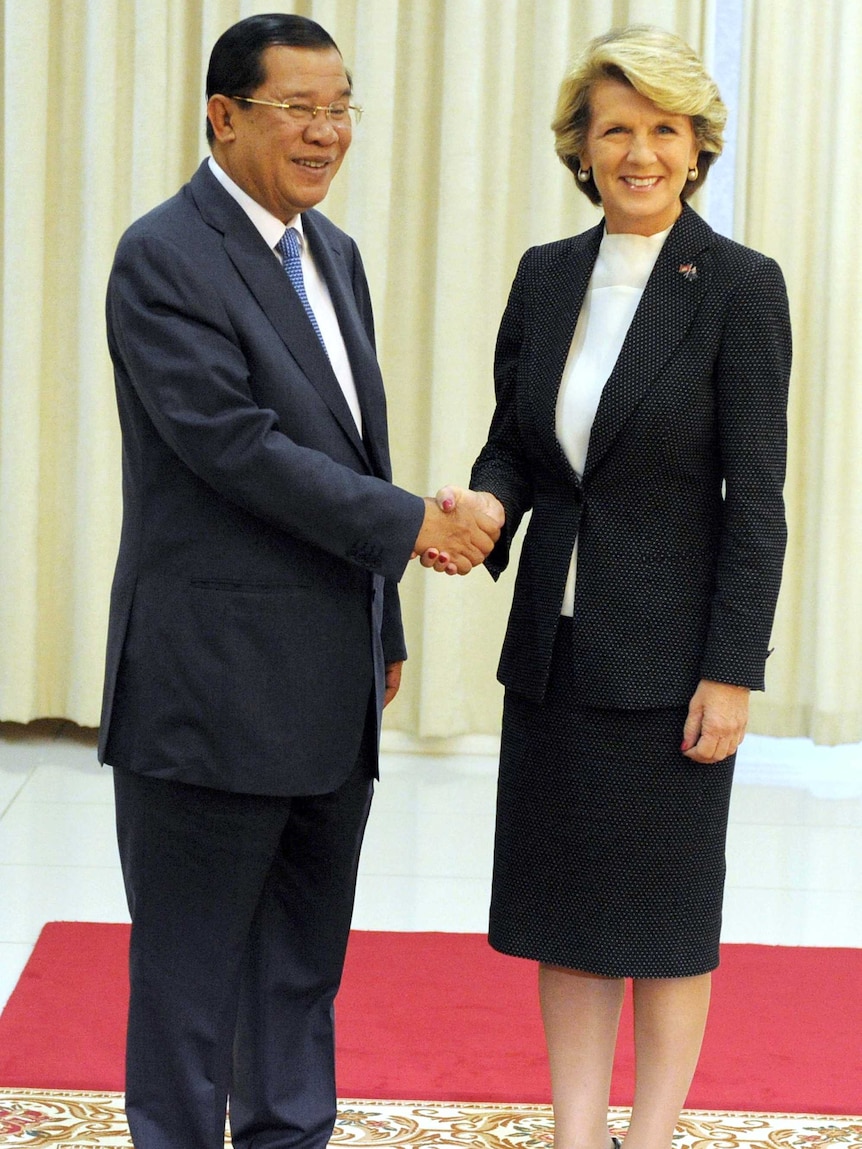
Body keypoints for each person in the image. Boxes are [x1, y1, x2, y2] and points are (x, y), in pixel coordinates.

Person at [98, 13, 501, 1149]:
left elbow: (343, 449)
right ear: (223, 117)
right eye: (298, 110)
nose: (327, 134)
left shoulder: (334, 255)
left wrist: (384, 624)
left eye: (341, 109)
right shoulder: (163, 254)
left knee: (298, 974)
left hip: (327, 677)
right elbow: (235, 446)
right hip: (209, 685)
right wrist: (413, 525)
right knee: (189, 982)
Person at [426, 24, 791, 1149]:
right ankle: (577, 1133)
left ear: (697, 148)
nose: (639, 152)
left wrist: (731, 673)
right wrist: (486, 508)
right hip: (555, 650)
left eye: (664, 131)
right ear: (580, 148)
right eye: (616, 128)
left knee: (664, 920)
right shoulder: (546, 278)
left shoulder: (737, 287)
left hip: (672, 659)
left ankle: (651, 1135)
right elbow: (516, 450)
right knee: (566, 911)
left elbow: (757, 500)